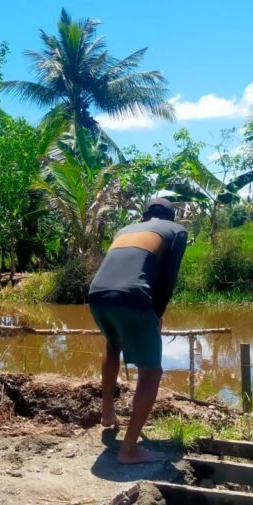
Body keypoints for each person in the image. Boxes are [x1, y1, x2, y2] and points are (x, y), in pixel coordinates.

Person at [89, 198, 188, 464]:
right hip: (133, 295)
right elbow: (168, 277)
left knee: (113, 346)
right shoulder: (176, 230)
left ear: (145, 216)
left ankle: (107, 413)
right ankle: (129, 450)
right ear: (171, 216)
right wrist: (157, 313)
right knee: (151, 373)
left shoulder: (125, 230)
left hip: (97, 294)